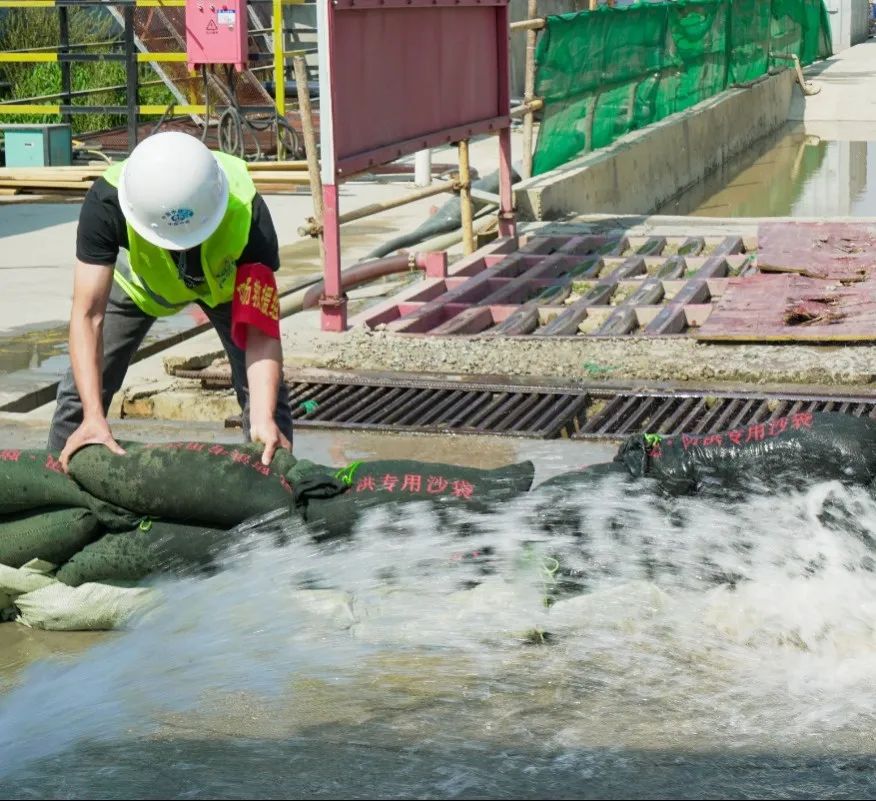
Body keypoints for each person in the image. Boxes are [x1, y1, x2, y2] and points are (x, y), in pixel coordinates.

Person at [49, 131, 294, 470]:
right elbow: (87, 314)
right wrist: (93, 415)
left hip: (223, 291)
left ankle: (273, 488)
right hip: (141, 289)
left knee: (267, 404)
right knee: (81, 392)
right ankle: (59, 484)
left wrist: (264, 417)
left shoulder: (248, 213)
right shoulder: (107, 201)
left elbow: (262, 333)